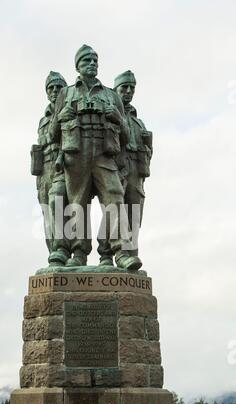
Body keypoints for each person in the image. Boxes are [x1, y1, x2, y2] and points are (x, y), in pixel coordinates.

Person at [49, 45, 142, 270]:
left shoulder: (111, 95)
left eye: (94, 61)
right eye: (86, 61)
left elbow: (127, 136)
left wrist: (118, 118)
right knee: (76, 204)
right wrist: (60, 117)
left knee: (115, 197)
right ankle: (78, 252)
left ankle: (120, 251)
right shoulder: (66, 93)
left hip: (103, 155)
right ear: (77, 66)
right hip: (76, 155)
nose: (91, 64)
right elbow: (53, 135)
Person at [98, 70, 153, 266]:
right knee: (113, 211)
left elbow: (148, 150)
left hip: (137, 173)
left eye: (132, 88)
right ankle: (105, 254)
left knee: (134, 216)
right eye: (124, 87)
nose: (129, 91)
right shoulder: (110, 113)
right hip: (117, 168)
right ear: (116, 90)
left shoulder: (139, 122)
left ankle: (130, 254)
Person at [34, 71, 70, 266]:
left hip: (63, 165)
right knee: (48, 213)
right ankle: (54, 254)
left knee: (63, 207)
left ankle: (63, 249)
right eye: (51, 88)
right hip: (44, 171)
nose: (55, 91)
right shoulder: (43, 119)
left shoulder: (68, 111)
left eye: (58, 87)